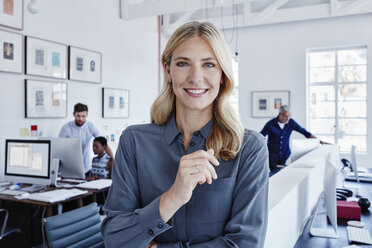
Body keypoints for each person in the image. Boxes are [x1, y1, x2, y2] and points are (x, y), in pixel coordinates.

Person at [102, 21, 269, 248]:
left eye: (209, 64)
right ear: (168, 70)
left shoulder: (249, 148)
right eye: (183, 63)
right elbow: (115, 239)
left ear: (222, 75)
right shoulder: (134, 141)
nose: (195, 77)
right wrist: (173, 197)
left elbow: (245, 244)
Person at [260, 105, 325, 174]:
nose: (287, 118)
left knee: (282, 173)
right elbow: (261, 136)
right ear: (279, 115)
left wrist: (320, 141)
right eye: (285, 116)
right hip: (272, 155)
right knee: (275, 173)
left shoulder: (291, 123)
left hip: (285, 154)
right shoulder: (270, 124)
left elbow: (304, 132)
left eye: (289, 116)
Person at [59, 103, 113, 175]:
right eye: (78, 116)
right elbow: (59, 147)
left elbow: (103, 142)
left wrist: (112, 159)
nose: (80, 119)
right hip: (70, 166)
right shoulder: (66, 128)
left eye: (83, 116)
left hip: (86, 166)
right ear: (74, 114)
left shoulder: (90, 126)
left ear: (86, 115)